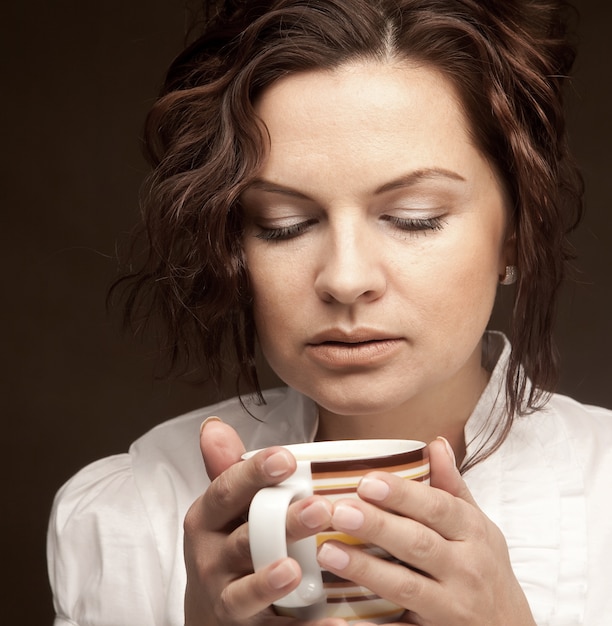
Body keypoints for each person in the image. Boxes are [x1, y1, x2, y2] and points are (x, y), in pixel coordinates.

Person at [47, 0, 612, 624]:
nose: (345, 279)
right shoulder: (132, 515)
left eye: (413, 218)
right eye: (284, 225)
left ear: (514, 232)